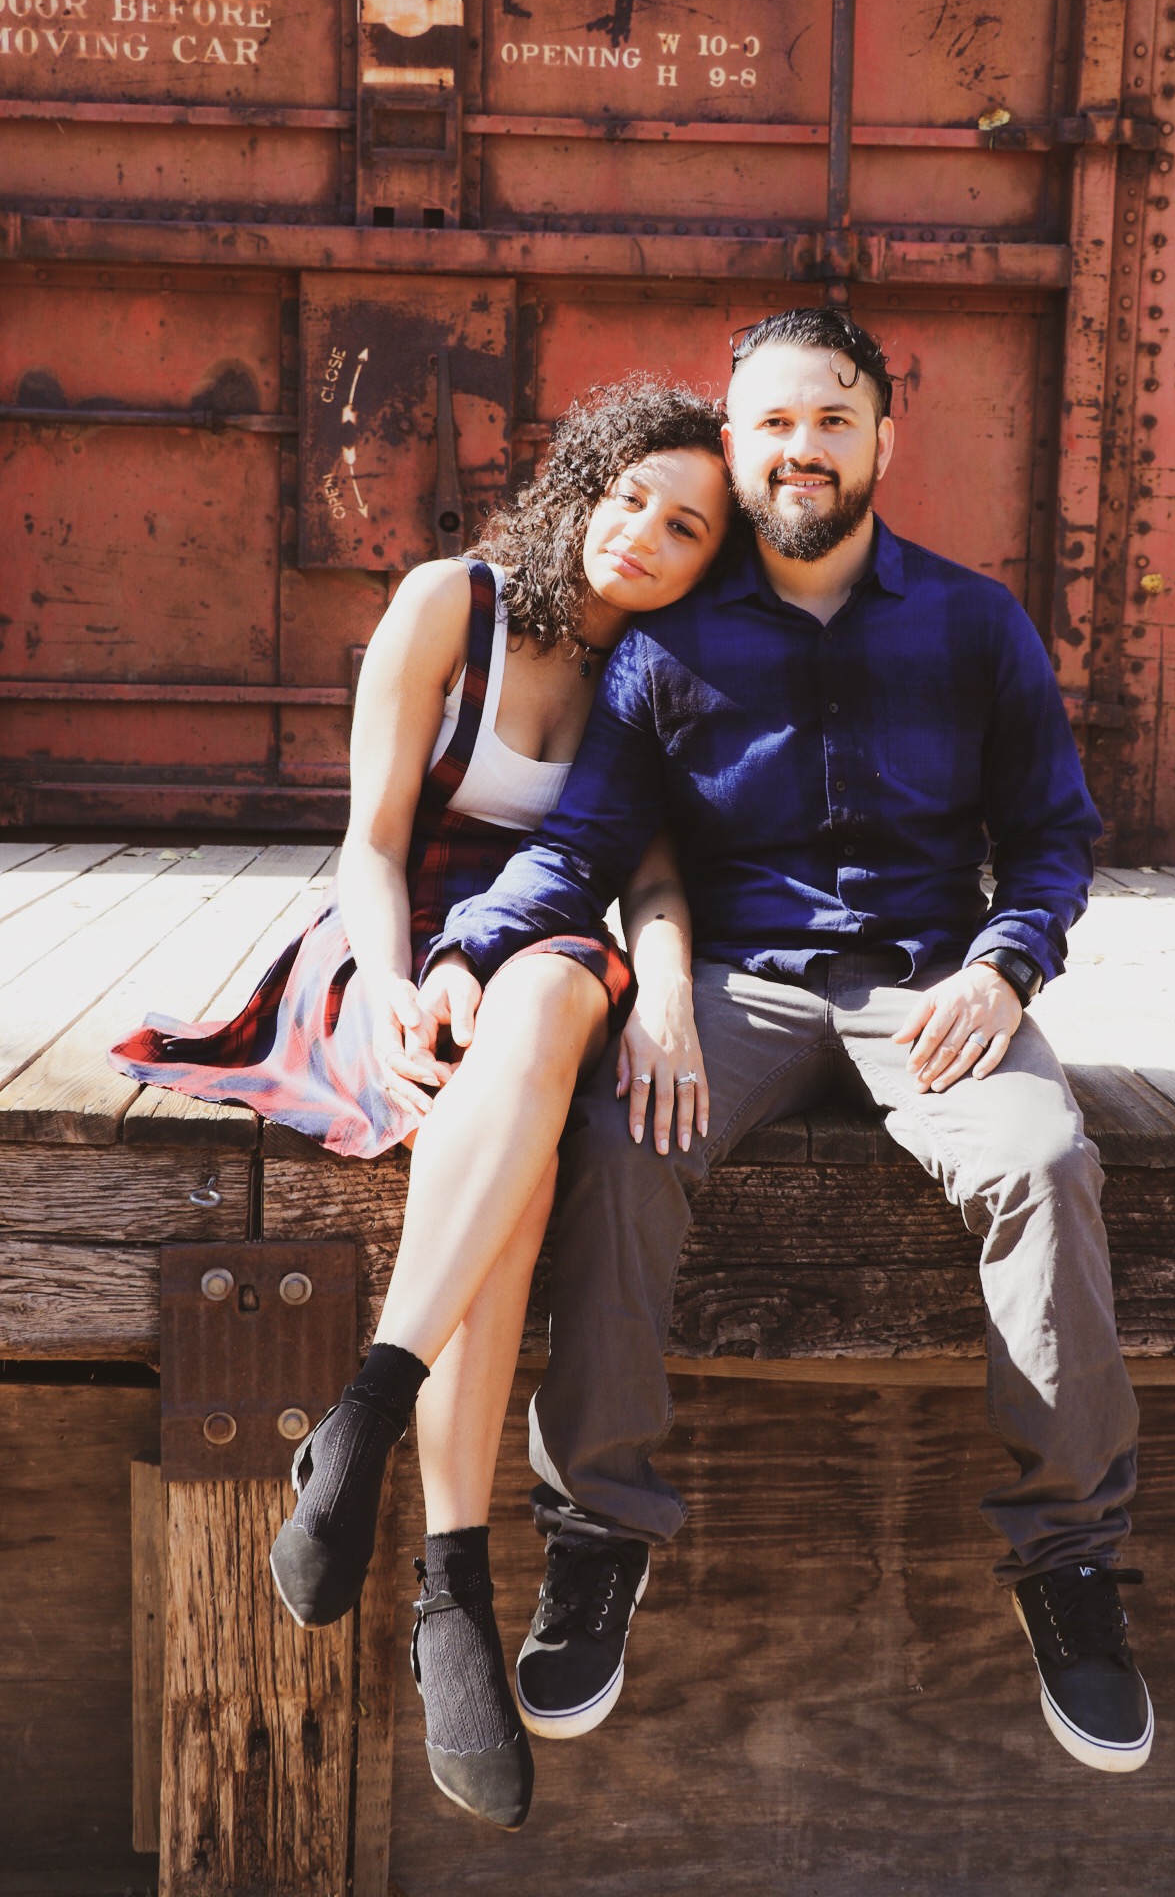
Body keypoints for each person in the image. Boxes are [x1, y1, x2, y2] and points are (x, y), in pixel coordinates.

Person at [418, 308, 1154, 1777]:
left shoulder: (976, 623)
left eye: (831, 419)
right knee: (619, 1141)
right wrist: (462, 951)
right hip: (739, 988)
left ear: (884, 437)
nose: (801, 448)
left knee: (1044, 1160)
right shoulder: (669, 646)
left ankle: (1069, 1562)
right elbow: (579, 847)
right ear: (736, 443)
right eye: (772, 423)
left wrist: (1006, 968)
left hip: (931, 986)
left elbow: (1053, 838)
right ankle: (597, 1534)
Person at [109, 380, 734, 1830]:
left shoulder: (662, 668)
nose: (643, 536)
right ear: (586, 482)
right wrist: (392, 984)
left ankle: (365, 1415)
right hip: (396, 939)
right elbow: (375, 843)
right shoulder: (453, 605)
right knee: (516, 1160)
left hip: (549, 948)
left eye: (686, 528)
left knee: (553, 1010)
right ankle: (453, 1587)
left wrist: (670, 990)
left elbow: (648, 877)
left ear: (714, 560)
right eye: (631, 496)